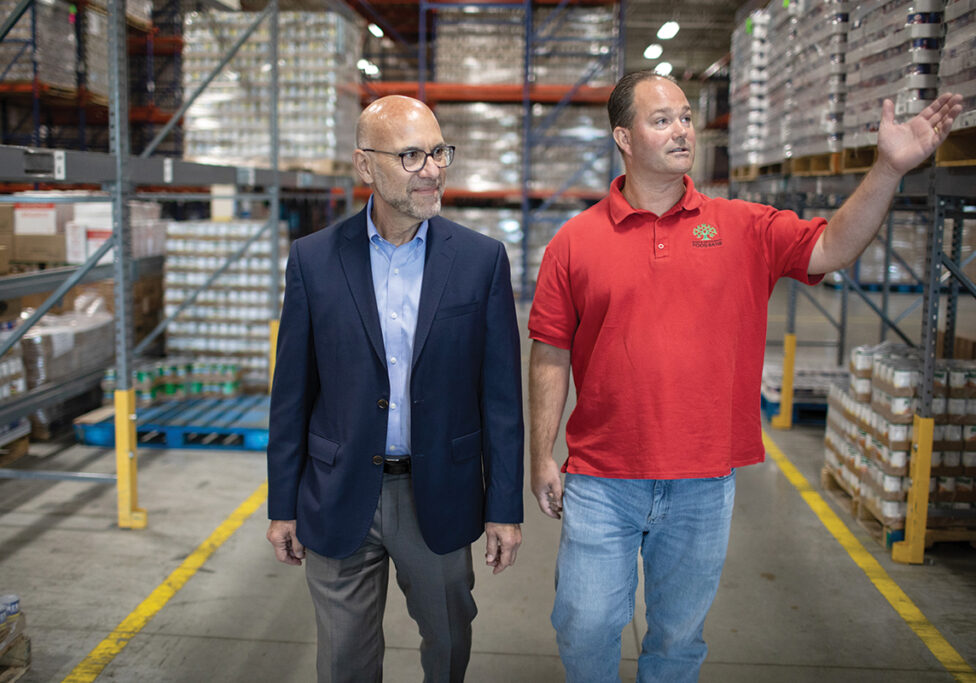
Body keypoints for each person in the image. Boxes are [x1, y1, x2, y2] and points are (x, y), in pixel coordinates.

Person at [527, 70, 962, 682]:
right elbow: (549, 349)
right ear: (623, 137)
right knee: (585, 622)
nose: (682, 130)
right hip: (603, 476)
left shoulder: (743, 225)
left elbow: (832, 248)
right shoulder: (574, 242)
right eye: (662, 120)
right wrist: (541, 453)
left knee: (678, 637)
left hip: (704, 478)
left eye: (685, 117)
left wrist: (888, 170)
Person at [265, 95, 524, 683]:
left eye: (437, 152)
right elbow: (292, 394)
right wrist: (283, 502)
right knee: (343, 661)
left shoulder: (481, 261)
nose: (431, 169)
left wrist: (504, 509)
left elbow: (502, 400)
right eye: (410, 156)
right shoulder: (313, 259)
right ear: (365, 166)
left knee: (450, 642)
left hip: (439, 492)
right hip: (337, 490)